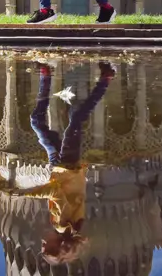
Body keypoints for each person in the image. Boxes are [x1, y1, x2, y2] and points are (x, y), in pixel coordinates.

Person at [12, 61, 115, 265]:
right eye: (45, 246)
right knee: (75, 120)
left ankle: (46, 75)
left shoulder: (75, 226)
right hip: (65, 165)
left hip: (62, 166)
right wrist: (26, 194)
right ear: (57, 244)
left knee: (39, 122)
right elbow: (56, 191)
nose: (42, 242)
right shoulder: (61, 225)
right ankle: (104, 80)